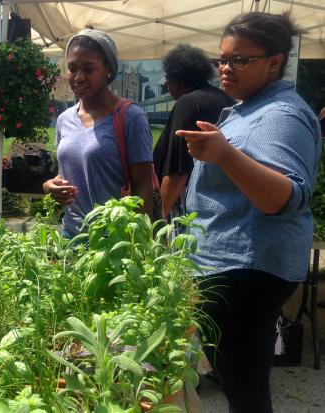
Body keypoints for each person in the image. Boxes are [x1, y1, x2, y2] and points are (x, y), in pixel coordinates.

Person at [175, 12, 321, 413]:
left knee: (245, 388)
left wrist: (224, 153)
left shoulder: (282, 116)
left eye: (240, 60)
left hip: (246, 269)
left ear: (274, 62)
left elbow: (284, 197)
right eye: (221, 59)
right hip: (233, 264)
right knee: (239, 382)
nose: (226, 67)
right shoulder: (252, 107)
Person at [43, 28, 154, 238]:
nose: (78, 77)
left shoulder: (131, 117)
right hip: (72, 236)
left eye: (88, 69)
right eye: (72, 68)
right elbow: (69, 171)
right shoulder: (65, 119)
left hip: (114, 241)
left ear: (108, 70)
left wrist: (138, 243)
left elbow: (143, 188)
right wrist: (50, 186)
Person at [153, 44, 234, 219]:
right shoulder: (224, 99)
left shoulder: (187, 103)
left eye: (168, 77)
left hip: (186, 211)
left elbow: (177, 171)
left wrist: (158, 221)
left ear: (178, 79)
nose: (166, 82)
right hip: (218, 207)